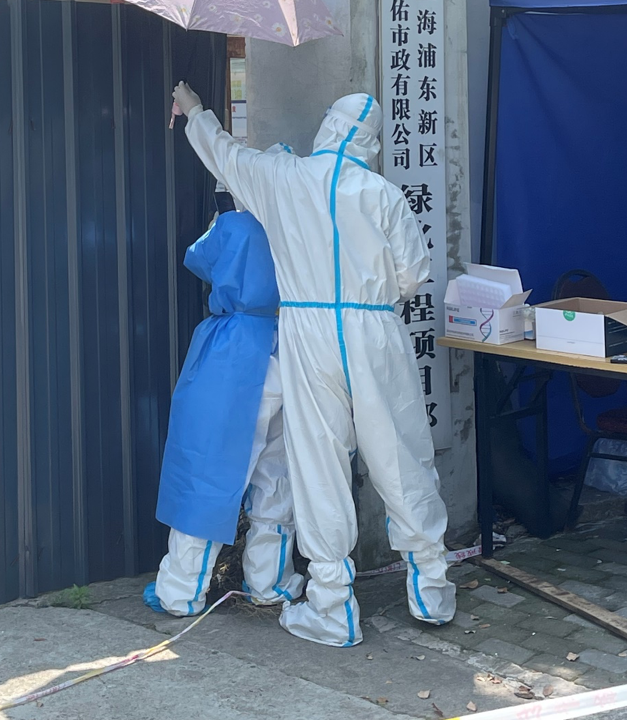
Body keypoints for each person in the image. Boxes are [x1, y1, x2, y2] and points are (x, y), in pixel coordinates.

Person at [170, 83, 455, 647]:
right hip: (374, 328)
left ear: (327, 126)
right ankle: (432, 591)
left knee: (317, 465)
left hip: (307, 327)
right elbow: (413, 276)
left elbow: (225, 153)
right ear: (372, 142)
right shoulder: (382, 193)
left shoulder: (284, 178)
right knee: (402, 458)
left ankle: (331, 606)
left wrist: (195, 111)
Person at [145, 159, 305, 617]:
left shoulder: (231, 225)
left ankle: (181, 592)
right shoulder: (296, 224)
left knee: (207, 472)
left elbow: (197, 258)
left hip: (233, 355)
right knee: (277, 478)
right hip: (288, 348)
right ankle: (272, 583)